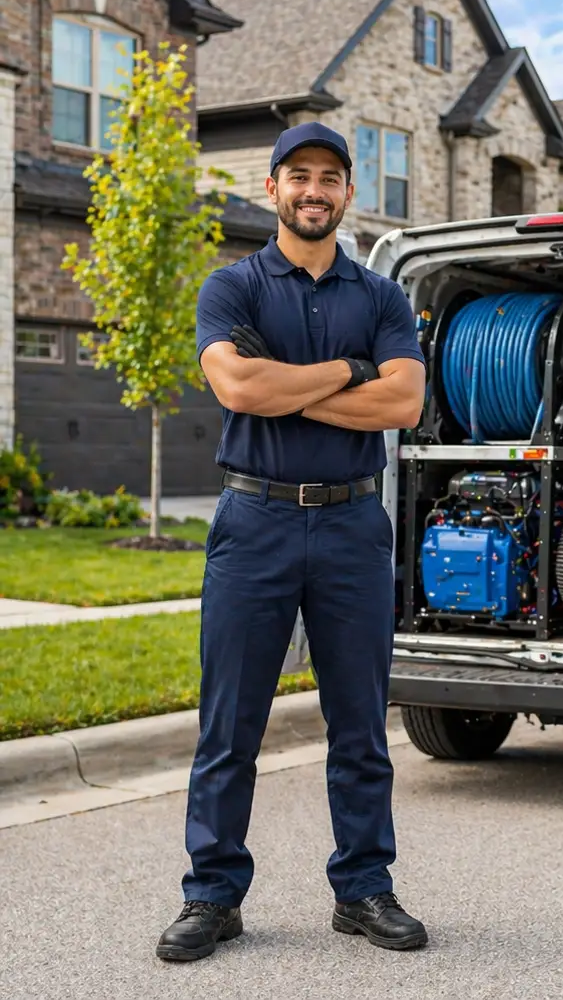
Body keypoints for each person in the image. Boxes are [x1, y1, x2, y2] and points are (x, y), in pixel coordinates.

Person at [157, 123, 428, 962]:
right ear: (272, 188)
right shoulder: (230, 286)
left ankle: (363, 889)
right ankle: (212, 897)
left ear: (349, 194)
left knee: (359, 725)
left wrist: (286, 389)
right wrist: (350, 371)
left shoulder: (381, 299)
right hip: (255, 521)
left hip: (352, 523)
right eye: (298, 176)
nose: (315, 191)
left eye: (331, 179)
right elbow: (235, 383)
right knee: (229, 723)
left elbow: (403, 406)